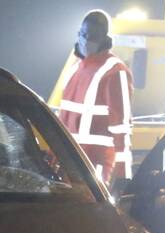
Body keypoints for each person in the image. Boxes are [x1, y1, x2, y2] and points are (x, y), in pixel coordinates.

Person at [57, 10, 133, 192]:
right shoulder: (75, 69)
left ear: (104, 37)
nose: (86, 40)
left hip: (95, 170)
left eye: (92, 36)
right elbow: (62, 121)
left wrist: (123, 175)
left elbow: (122, 129)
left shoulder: (115, 70)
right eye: (83, 34)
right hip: (68, 167)